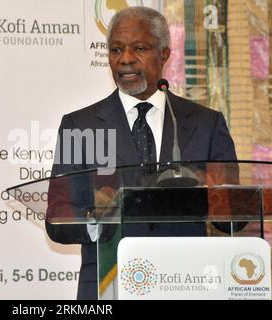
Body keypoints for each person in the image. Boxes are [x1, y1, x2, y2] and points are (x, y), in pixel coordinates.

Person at [46, 6, 237, 300]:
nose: (125, 59)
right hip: (110, 283)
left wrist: (209, 191)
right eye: (116, 49)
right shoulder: (80, 126)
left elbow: (234, 217)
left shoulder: (206, 123)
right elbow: (59, 218)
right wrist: (98, 216)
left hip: (189, 282)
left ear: (164, 54)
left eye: (140, 48)